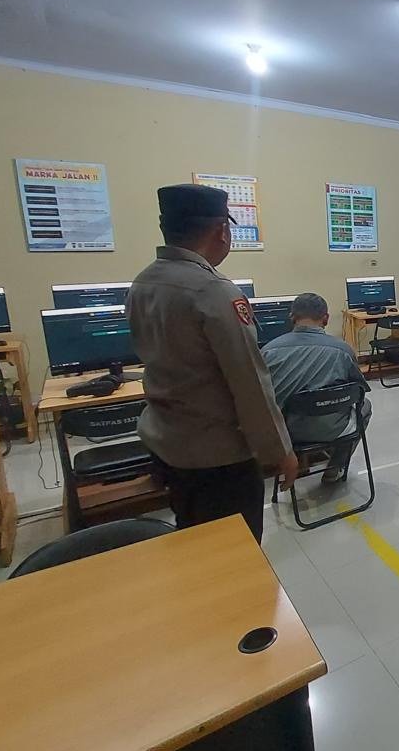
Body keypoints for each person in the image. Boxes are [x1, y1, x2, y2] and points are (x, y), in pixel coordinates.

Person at [126, 184, 296, 544]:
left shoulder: (141, 283)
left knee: (194, 542)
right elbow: (250, 383)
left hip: (167, 444)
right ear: (222, 230)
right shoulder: (213, 291)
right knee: (236, 555)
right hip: (218, 457)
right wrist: (280, 451)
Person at [261, 293, 372, 484]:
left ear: (292, 318)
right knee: (366, 406)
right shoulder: (343, 350)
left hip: (285, 433)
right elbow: (359, 390)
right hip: (332, 428)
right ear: (326, 319)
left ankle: (296, 462)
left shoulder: (268, 351)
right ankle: (335, 468)